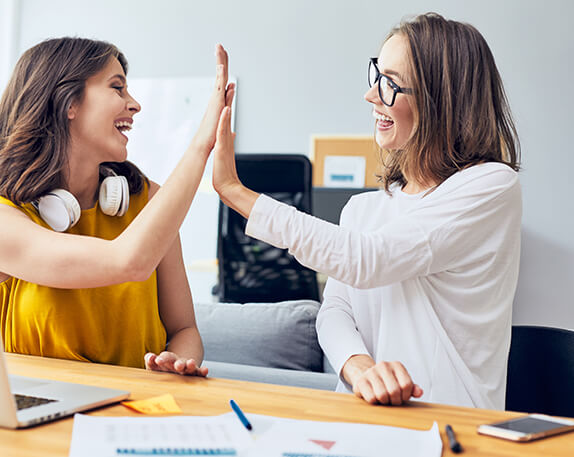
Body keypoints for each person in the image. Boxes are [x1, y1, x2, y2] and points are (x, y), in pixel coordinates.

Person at [212, 13, 520, 409]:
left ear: (440, 99)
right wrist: (360, 369)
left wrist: (234, 191)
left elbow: (370, 259)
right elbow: (336, 310)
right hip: (363, 417)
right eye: (376, 76)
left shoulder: (490, 186)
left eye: (391, 84)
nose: (372, 95)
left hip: (449, 423)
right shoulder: (364, 208)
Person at [0, 37, 235, 377]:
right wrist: (201, 146)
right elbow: (129, 262)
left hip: (135, 413)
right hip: (36, 417)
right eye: (117, 87)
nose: (134, 104)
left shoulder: (146, 200)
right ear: (68, 103)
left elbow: (184, 330)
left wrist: (176, 362)